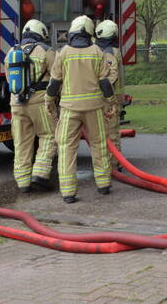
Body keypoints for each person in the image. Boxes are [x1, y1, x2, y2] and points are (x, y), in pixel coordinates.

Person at [46, 15, 117, 204]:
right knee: (99, 145)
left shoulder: (63, 53)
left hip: (69, 110)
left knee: (67, 148)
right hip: (94, 108)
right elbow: (105, 82)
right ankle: (103, 185)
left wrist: (49, 101)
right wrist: (111, 102)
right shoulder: (97, 52)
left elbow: (54, 83)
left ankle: (68, 192)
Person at [2, 19, 57, 193]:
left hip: (16, 104)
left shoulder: (11, 52)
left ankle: (23, 182)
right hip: (40, 103)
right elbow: (57, 76)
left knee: (21, 143)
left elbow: (8, 79)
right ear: (41, 34)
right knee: (48, 136)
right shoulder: (46, 51)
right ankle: (40, 174)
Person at [94, 20, 124, 153]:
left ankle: (113, 163)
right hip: (110, 97)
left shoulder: (108, 52)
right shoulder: (111, 50)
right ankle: (113, 162)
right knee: (109, 133)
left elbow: (110, 78)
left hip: (108, 99)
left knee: (110, 133)